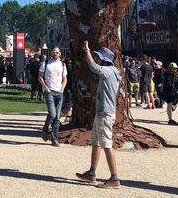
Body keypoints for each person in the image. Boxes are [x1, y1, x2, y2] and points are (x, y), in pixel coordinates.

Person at [76, 40, 121, 189]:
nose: (98, 59)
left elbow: (92, 66)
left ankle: (114, 178)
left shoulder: (108, 71)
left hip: (105, 113)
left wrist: (87, 49)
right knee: (96, 142)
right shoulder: (114, 71)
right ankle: (92, 173)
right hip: (102, 112)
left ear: (105, 59)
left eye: (100, 57)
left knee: (107, 144)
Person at [38, 47, 67, 147]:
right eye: (53, 52)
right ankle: (45, 129)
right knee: (52, 113)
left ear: (60, 54)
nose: (55, 54)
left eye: (57, 52)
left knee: (57, 118)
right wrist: (46, 88)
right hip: (49, 91)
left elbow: (64, 78)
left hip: (59, 92)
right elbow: (40, 76)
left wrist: (62, 89)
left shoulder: (63, 64)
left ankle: (54, 138)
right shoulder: (45, 63)